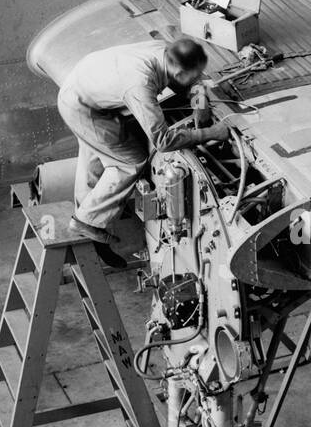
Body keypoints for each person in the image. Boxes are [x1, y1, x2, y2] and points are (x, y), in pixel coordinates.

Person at [57, 38, 230, 268]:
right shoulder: (140, 85)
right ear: (178, 70)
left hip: (80, 87)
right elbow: (163, 141)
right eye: (193, 74)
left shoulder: (166, 50)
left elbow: (193, 82)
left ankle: (88, 215)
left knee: (95, 153)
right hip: (82, 107)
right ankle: (88, 223)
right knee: (129, 161)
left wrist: (199, 104)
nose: (198, 78)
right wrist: (211, 133)